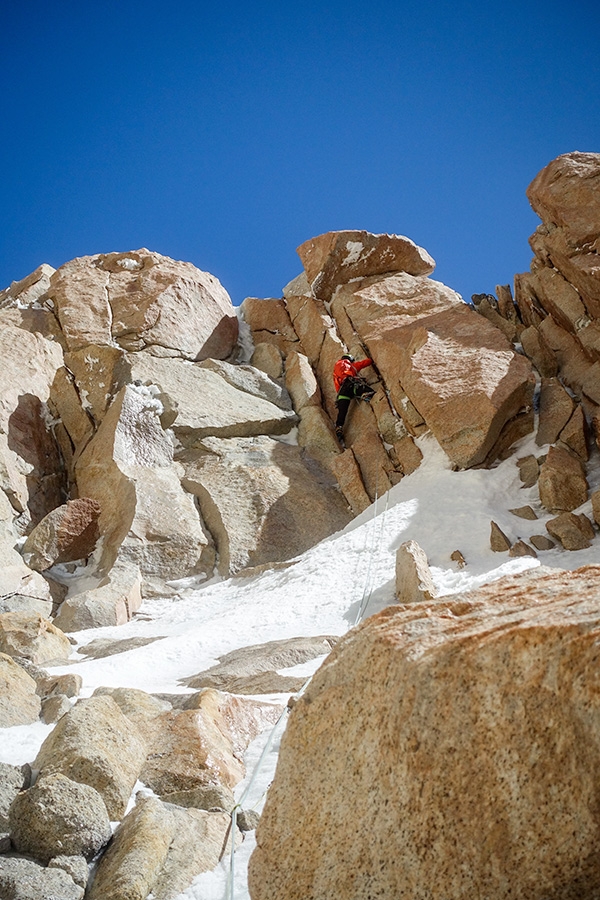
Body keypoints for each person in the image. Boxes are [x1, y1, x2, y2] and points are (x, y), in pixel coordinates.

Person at [333, 354, 375, 437]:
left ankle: (339, 426)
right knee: (360, 386)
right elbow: (361, 364)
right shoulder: (348, 364)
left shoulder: (335, 371)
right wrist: (371, 360)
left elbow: (337, 386)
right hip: (350, 384)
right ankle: (364, 394)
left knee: (343, 411)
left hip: (342, 392)